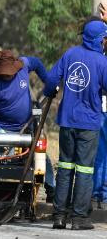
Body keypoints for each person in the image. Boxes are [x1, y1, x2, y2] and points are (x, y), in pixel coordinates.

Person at [43, 20, 107, 230]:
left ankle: (59, 216)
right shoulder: (102, 61)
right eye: (104, 38)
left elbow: (52, 79)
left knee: (65, 167)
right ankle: (79, 218)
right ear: (99, 39)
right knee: (85, 170)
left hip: (67, 122)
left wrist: (49, 92)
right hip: (88, 124)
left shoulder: (70, 54)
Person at [0, 50, 55, 200]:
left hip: (29, 125)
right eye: (4, 73)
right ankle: (10, 196)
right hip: (5, 130)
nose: (7, 75)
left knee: (40, 158)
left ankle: (51, 189)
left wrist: (48, 82)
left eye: (9, 72)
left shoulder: (24, 65)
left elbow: (38, 64)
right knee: (8, 165)